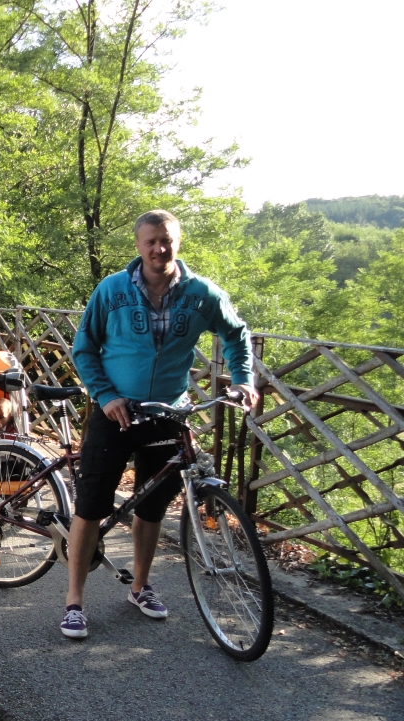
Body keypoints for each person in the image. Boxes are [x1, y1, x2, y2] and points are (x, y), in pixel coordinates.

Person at [62, 209, 259, 639]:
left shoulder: (201, 293)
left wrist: (244, 380)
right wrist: (106, 394)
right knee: (91, 504)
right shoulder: (111, 290)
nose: (159, 248)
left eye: (166, 239)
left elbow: (237, 334)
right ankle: (75, 600)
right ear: (138, 245)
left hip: (168, 414)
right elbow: (84, 348)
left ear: (177, 241)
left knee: (150, 509)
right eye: (150, 241)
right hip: (115, 412)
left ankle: (140, 586)